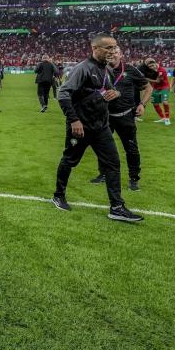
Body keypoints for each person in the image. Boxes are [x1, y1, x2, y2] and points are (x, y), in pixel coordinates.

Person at [51, 33, 143, 222]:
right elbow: (63, 94)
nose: (113, 50)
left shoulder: (106, 70)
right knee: (70, 160)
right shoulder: (82, 69)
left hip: (101, 127)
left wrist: (114, 93)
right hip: (81, 127)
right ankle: (58, 195)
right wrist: (74, 120)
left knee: (113, 163)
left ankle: (117, 207)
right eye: (108, 47)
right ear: (95, 49)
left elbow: (108, 90)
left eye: (115, 47)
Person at [90, 48, 151, 191]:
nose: (112, 55)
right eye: (109, 53)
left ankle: (134, 178)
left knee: (131, 148)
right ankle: (103, 174)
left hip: (126, 116)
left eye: (115, 52)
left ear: (121, 54)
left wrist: (142, 104)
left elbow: (148, 88)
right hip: (104, 116)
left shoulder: (131, 70)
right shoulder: (99, 70)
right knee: (102, 147)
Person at [141, 58, 171, 125]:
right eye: (150, 66)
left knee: (165, 102)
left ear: (155, 64)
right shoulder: (150, 71)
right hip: (155, 88)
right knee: (155, 103)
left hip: (164, 88)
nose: (151, 67)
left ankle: (167, 118)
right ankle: (162, 118)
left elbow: (158, 81)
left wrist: (146, 79)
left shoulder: (161, 70)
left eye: (152, 65)